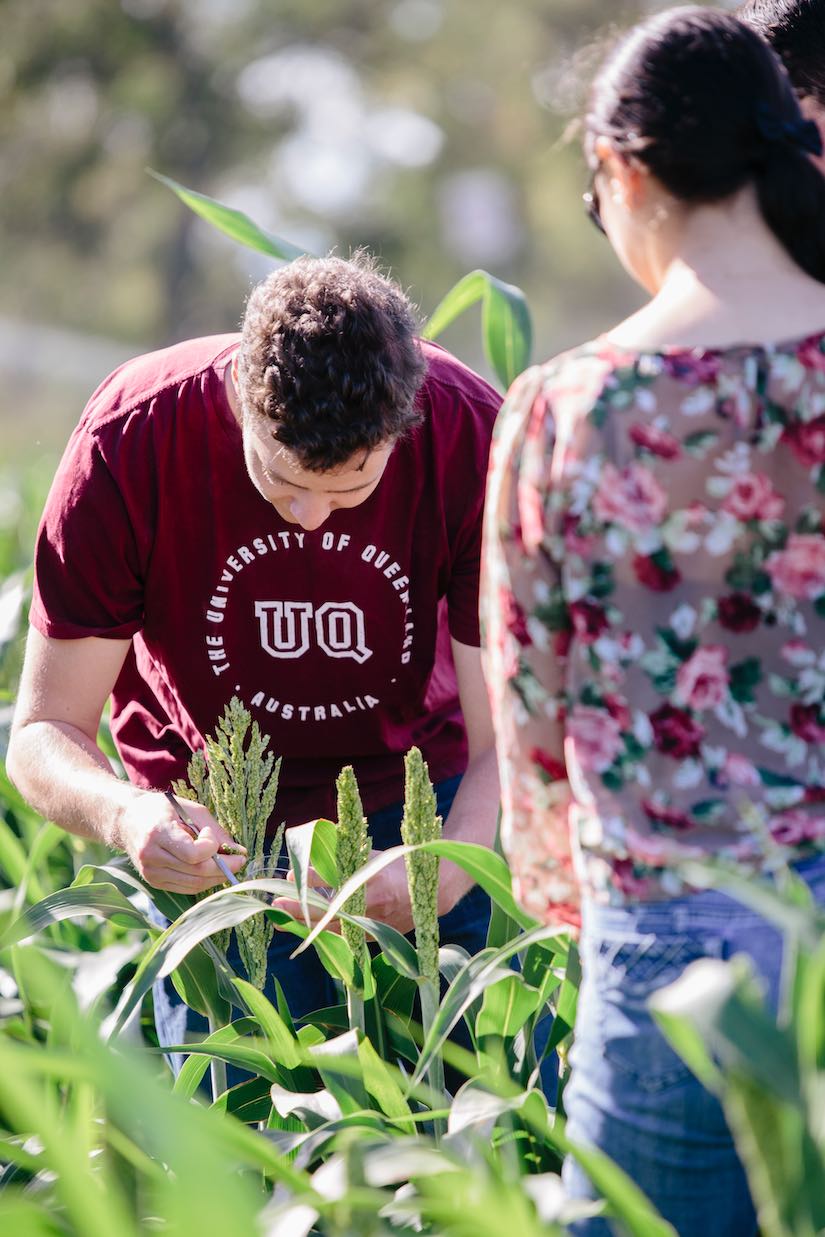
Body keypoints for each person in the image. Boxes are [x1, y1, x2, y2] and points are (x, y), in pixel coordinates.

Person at [482, 8, 825, 1235]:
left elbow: (531, 723)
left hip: (665, 938)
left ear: (624, 171)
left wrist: (580, 918)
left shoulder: (567, 409)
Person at [7, 252, 501, 1048]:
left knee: (451, 1119)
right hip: (216, 841)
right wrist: (129, 814)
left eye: (349, 488)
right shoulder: (131, 440)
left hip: (419, 806)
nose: (310, 519)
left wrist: (461, 852)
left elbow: (512, 730)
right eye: (279, 480)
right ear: (241, 393)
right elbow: (42, 733)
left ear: (403, 426)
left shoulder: (471, 435)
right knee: (239, 1139)